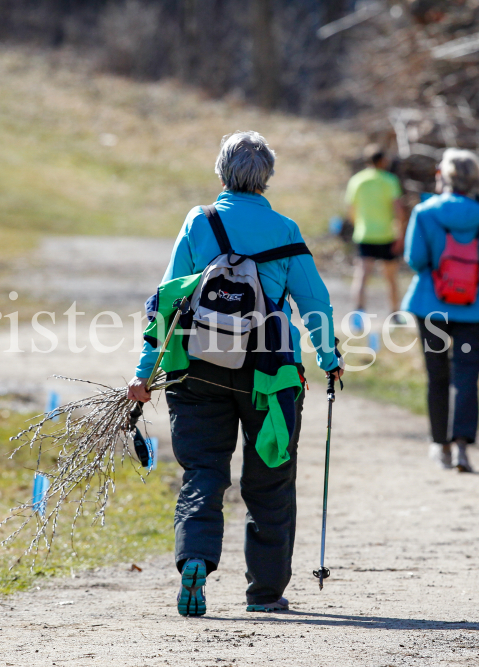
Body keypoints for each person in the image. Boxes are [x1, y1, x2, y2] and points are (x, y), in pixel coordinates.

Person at [127, 131, 344, 617]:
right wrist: (330, 360)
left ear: (221, 171)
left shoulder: (198, 223)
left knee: (203, 472)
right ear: (266, 177)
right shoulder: (286, 230)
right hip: (270, 374)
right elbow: (316, 305)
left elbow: (164, 302)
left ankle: (196, 560)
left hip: (197, 369)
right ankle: (264, 594)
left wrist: (143, 376)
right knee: (270, 480)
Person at [401, 148, 479, 473]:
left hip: (430, 306)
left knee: (436, 376)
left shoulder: (425, 212)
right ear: (476, 180)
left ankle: (441, 446)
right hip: (473, 308)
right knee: (466, 375)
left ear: (445, 177)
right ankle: (464, 446)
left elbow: (416, 259)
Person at [345, 144, 407, 325]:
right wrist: (400, 234)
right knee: (391, 278)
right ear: (382, 161)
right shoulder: (389, 180)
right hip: (386, 235)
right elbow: (398, 210)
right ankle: (395, 313)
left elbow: (350, 209)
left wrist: (359, 223)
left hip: (364, 234)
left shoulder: (357, 180)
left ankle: (357, 314)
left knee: (361, 276)